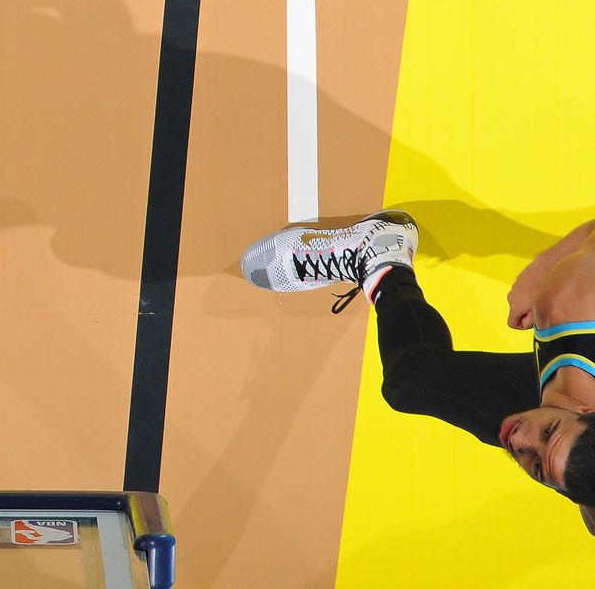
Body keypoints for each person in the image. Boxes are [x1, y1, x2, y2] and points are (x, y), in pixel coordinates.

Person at [239, 211, 595, 529]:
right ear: (585, 410)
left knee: (410, 382)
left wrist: (550, 452)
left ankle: (381, 258)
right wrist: (545, 263)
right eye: (547, 432)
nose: (518, 439)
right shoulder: (570, 301)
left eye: (535, 466)